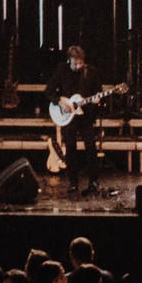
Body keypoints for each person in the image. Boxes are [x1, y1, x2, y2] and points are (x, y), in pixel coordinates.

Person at [45, 44, 99, 187]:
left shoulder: (91, 72)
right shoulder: (62, 70)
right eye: (76, 63)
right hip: (67, 116)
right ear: (69, 60)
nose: (79, 65)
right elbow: (49, 91)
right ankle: (73, 181)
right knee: (70, 148)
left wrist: (96, 100)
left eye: (81, 62)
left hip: (85, 114)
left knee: (91, 146)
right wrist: (60, 101)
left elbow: (97, 92)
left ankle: (93, 180)